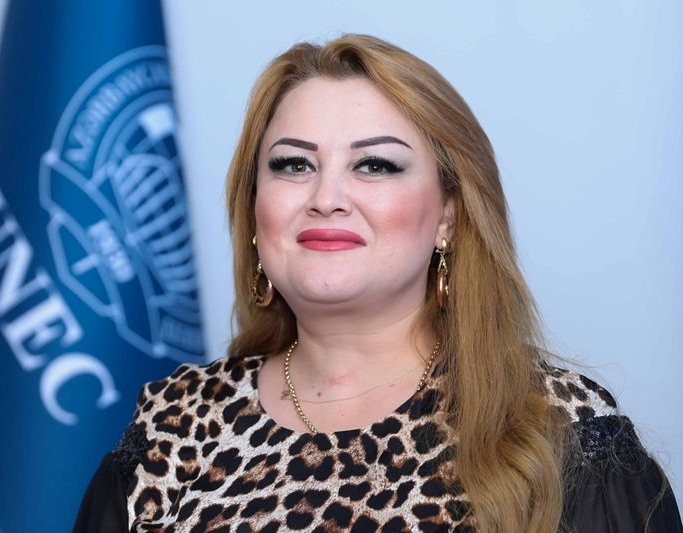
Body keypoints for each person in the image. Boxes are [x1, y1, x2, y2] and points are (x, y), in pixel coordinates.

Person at [75, 34, 682, 532]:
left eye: (375, 164)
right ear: (255, 209)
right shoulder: (171, 428)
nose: (326, 197)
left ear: (448, 214)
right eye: (293, 164)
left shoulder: (559, 432)